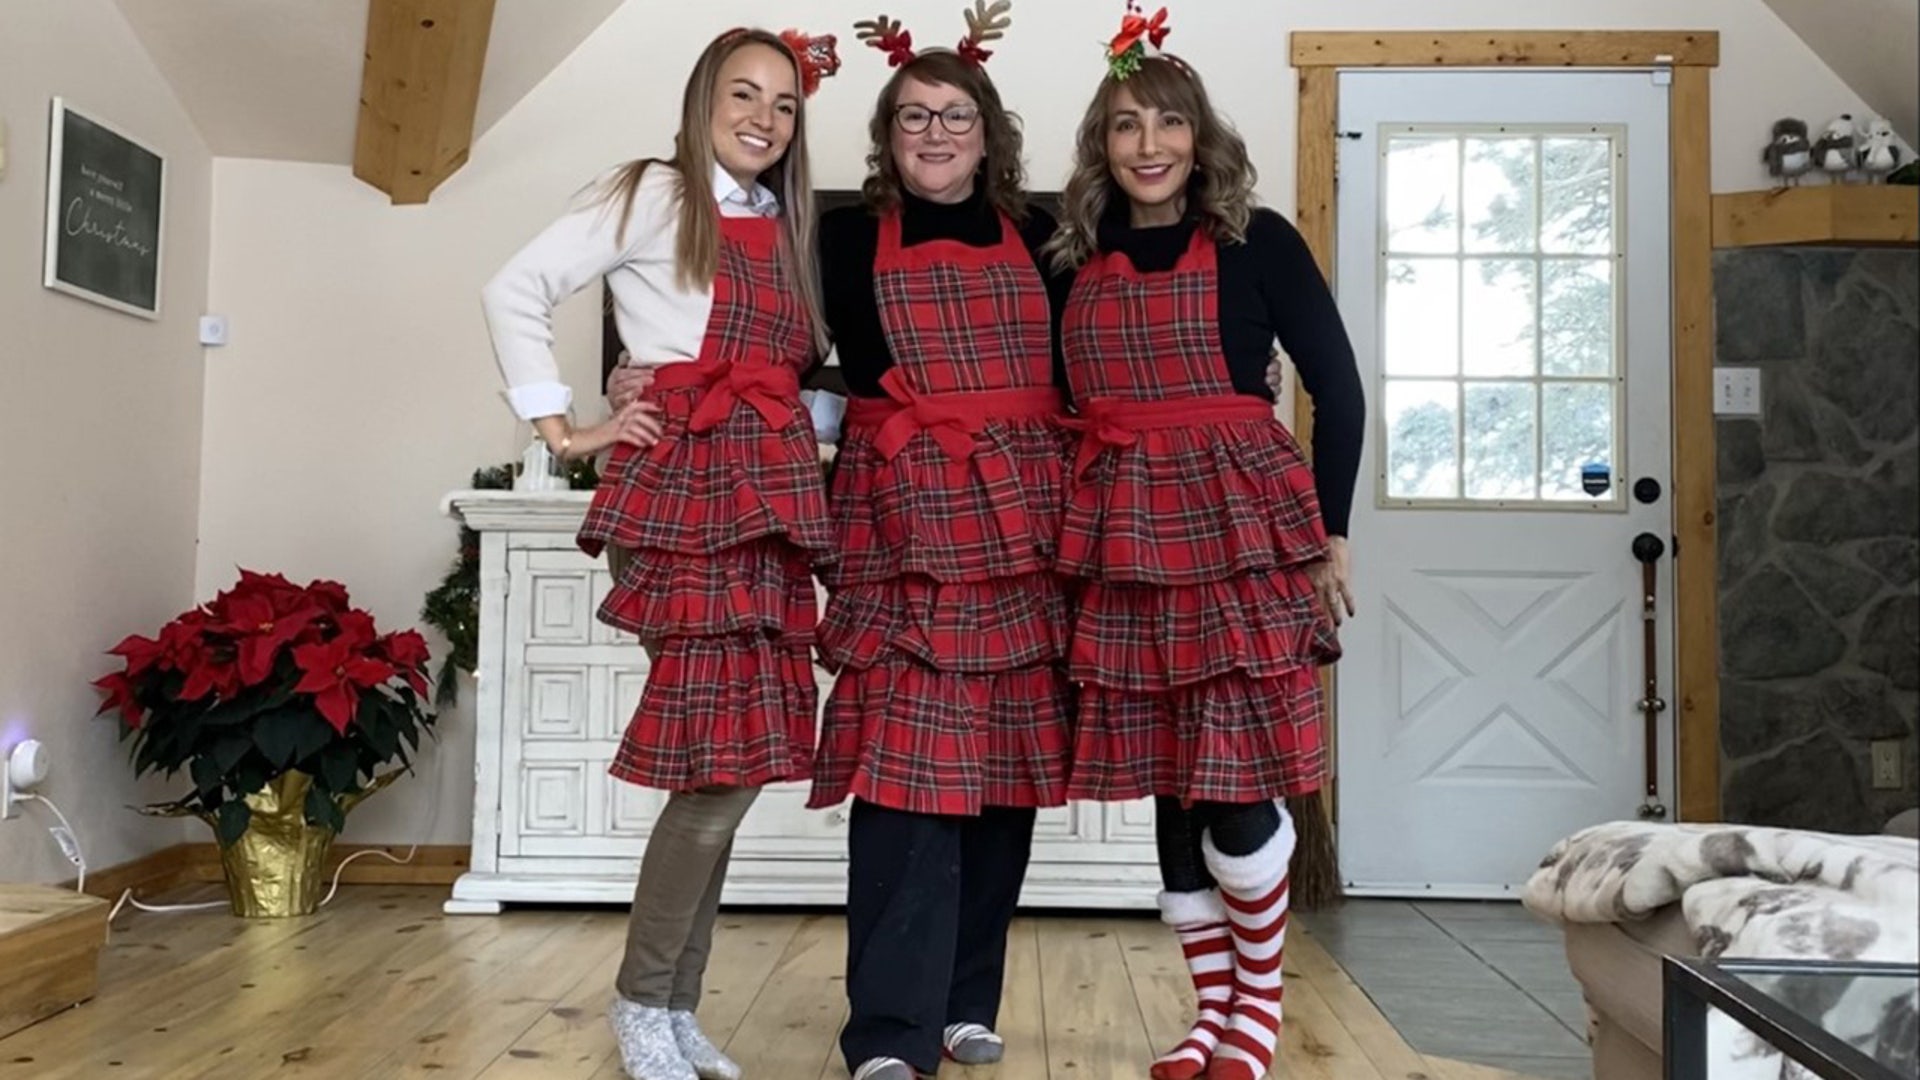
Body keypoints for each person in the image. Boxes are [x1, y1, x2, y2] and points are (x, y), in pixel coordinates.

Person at [480, 26, 841, 1080]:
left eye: (783, 104)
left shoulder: (779, 219)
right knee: (717, 772)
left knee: (732, 767)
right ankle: (645, 1005)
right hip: (684, 500)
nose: (764, 118)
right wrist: (564, 428)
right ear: (701, 100)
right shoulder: (652, 192)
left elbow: (778, 376)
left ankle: (676, 1007)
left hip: (764, 502)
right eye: (745, 94)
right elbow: (513, 289)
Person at [1041, 8, 1365, 1080]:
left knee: (1231, 779)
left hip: (1237, 533)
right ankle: (1207, 1018)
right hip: (1125, 538)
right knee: (1166, 781)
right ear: (1102, 144)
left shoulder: (1257, 241)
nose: (1148, 145)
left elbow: (1340, 389)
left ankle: (1259, 1013)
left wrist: (1332, 535)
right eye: (1126, 124)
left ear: (1199, 137)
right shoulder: (1069, 256)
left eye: (1168, 122)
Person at [817, 6, 1074, 1079]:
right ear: (888, 133)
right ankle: (887, 1031)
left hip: (1021, 515)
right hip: (899, 512)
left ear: (987, 130)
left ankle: (966, 1004)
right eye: (913, 116)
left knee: (1000, 780)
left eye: (953, 114)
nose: (934, 132)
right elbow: (794, 352)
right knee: (901, 775)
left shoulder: (1048, 231)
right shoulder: (837, 234)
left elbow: (1083, 367)